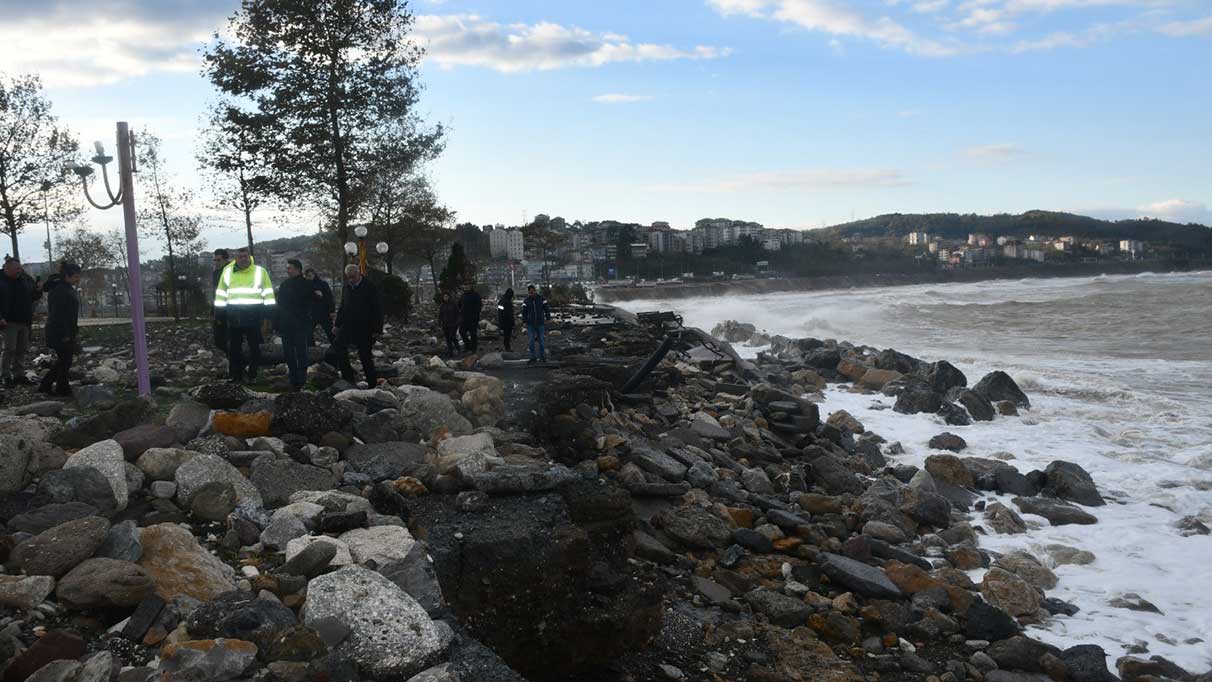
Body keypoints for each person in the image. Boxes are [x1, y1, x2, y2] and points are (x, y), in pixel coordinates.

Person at [214, 247, 275, 383]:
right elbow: (221, 294)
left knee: (255, 348)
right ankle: (236, 376)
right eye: (240, 257)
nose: (243, 259)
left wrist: (268, 316)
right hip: (234, 316)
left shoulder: (260, 272)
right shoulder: (228, 272)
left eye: (245, 256)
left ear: (249, 257)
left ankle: (252, 374)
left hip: (253, 316)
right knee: (234, 349)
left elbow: (269, 295)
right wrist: (219, 316)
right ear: (236, 259)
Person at [333, 265, 383, 385]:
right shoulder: (347, 286)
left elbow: (377, 309)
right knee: (338, 346)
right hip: (348, 324)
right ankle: (348, 378)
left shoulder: (369, 287)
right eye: (348, 277)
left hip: (365, 327)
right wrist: (337, 324)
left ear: (358, 274)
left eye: (352, 277)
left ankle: (372, 383)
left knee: (365, 355)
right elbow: (343, 306)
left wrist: (377, 329)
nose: (350, 280)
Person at [38, 262, 81, 397]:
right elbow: (58, 314)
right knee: (64, 360)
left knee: (65, 360)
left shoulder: (65, 288)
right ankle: (55, 386)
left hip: (65, 331)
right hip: (59, 332)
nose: (77, 279)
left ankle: (56, 386)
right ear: (67, 276)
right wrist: (65, 334)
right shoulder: (60, 290)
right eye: (75, 276)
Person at [0, 257, 44, 386]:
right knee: (9, 349)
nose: (19, 271)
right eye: (16, 269)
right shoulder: (1, 281)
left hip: (24, 320)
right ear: (7, 268)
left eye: (20, 268)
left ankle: (19, 374)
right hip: (8, 321)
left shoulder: (24, 279)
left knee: (21, 349)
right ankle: (6, 376)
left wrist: (38, 290)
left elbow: (33, 296)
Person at [275, 259, 313, 391]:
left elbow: (309, 304)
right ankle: (293, 379)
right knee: (289, 354)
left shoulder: (307, 285)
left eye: (290, 268)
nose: (287, 270)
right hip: (286, 325)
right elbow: (279, 305)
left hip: (300, 325)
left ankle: (301, 379)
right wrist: (277, 323)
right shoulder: (285, 284)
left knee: (301, 353)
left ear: (297, 269)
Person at [304, 268, 335, 347]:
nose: (308, 278)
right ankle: (312, 350)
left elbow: (329, 297)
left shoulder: (323, 284)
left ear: (314, 275)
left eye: (309, 276)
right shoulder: (306, 285)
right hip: (312, 313)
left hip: (323, 312)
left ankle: (337, 349)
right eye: (306, 276)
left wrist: (332, 310)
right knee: (308, 333)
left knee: (330, 332)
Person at [521, 284, 551, 364]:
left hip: (540, 323)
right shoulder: (526, 301)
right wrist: (524, 321)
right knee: (531, 341)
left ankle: (542, 356)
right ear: (528, 292)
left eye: (532, 292)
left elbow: (546, 309)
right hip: (530, 324)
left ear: (535, 290)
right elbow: (524, 312)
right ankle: (532, 357)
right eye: (530, 292)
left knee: (541, 340)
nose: (531, 293)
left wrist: (548, 318)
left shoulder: (541, 299)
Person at [211, 249, 230, 357]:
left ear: (225, 259)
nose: (216, 262)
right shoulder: (216, 273)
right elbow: (216, 293)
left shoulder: (231, 272)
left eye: (218, 260)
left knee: (227, 339)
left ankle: (236, 363)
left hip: (229, 310)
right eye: (215, 260)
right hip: (219, 309)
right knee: (219, 340)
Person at [458, 282, 483, 353]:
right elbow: (459, 305)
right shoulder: (463, 296)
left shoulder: (475, 295)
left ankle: (473, 349)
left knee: (473, 334)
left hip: (473, 319)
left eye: (467, 285)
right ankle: (468, 345)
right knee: (461, 332)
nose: (466, 287)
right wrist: (461, 313)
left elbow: (479, 306)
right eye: (464, 285)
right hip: (464, 318)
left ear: (471, 286)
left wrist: (475, 314)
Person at [438, 292, 461, 356]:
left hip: (453, 324)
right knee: (448, 339)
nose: (445, 298)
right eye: (444, 297)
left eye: (446, 296)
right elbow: (440, 315)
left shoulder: (453, 304)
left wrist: (457, 322)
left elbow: (458, 314)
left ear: (449, 297)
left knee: (453, 337)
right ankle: (450, 352)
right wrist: (439, 323)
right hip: (445, 325)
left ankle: (458, 349)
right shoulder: (442, 305)